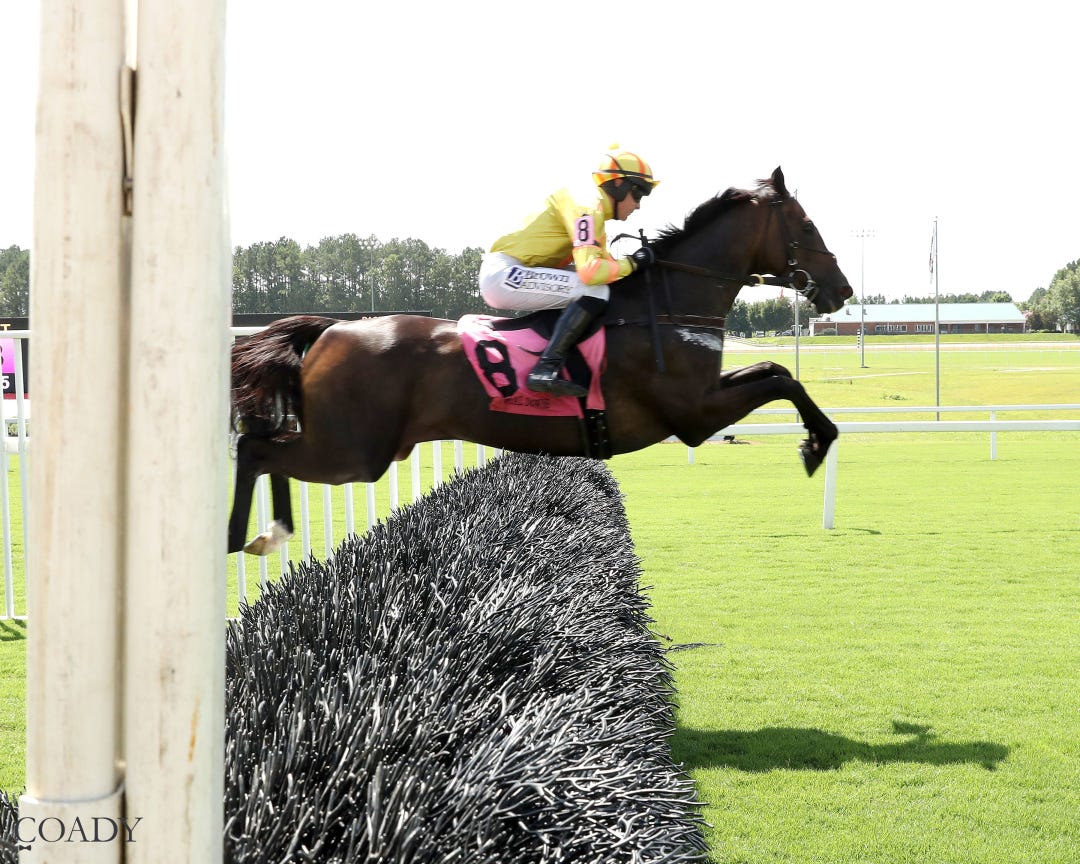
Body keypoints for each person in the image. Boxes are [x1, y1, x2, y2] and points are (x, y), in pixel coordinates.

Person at [478, 151, 659, 398]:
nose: (638, 205)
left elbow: (608, 269)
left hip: (512, 272)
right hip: (505, 274)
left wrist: (637, 268)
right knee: (595, 290)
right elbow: (592, 272)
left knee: (598, 289)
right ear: (618, 185)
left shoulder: (594, 214)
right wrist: (633, 262)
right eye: (638, 195)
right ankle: (545, 368)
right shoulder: (587, 208)